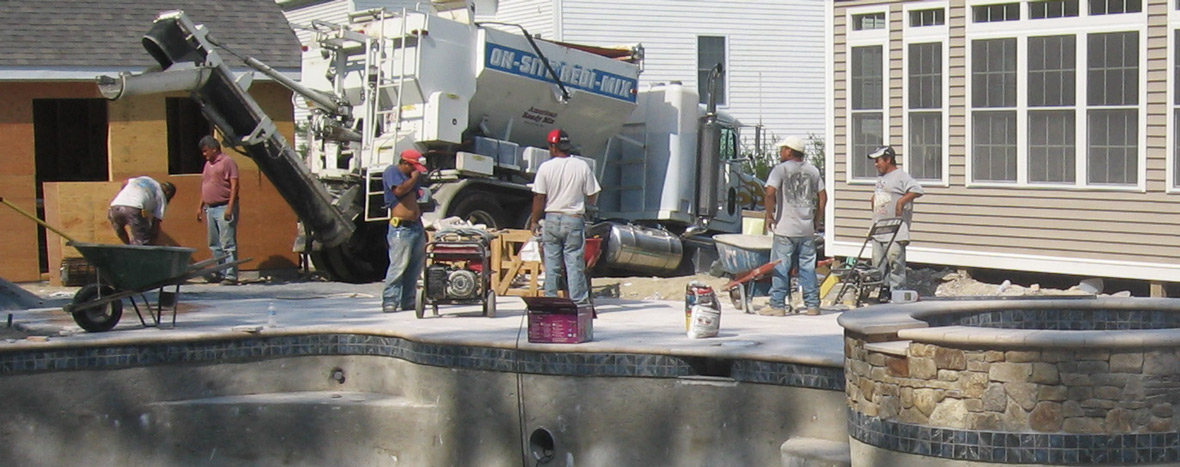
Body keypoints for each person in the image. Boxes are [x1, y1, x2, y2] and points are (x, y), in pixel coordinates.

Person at [529, 129, 601, 306]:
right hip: (573, 219)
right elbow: (593, 195)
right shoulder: (581, 166)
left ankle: (551, 301)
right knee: (574, 264)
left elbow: (539, 196)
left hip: (552, 219)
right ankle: (578, 304)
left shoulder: (545, 168)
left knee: (552, 264)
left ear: (553, 147)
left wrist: (533, 221)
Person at [761, 136, 826, 316]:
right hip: (806, 229)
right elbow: (823, 197)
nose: (781, 152)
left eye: (783, 149)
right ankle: (813, 305)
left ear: (789, 151)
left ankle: (778, 305)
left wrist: (769, 215)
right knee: (808, 267)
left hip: (785, 228)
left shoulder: (780, 170)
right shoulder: (812, 171)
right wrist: (817, 219)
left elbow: (769, 193)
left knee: (781, 266)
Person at [867, 145, 923, 293]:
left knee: (895, 262)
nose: (876, 164)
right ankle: (881, 291)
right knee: (877, 264)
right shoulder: (881, 177)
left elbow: (917, 190)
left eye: (878, 160)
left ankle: (897, 292)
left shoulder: (901, 176)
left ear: (888, 159)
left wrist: (902, 202)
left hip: (895, 230)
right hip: (879, 229)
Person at [381, 149, 428, 313]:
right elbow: (398, 191)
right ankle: (390, 300)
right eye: (413, 168)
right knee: (398, 265)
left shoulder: (411, 178)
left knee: (414, 266)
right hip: (401, 227)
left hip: (416, 226)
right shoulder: (392, 172)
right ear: (405, 163)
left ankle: (408, 300)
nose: (416, 172)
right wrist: (414, 179)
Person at [196, 135, 241, 285]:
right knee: (214, 243)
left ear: (214, 149)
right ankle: (220, 272)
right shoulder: (208, 165)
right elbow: (205, 185)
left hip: (224, 207)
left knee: (227, 242)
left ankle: (231, 275)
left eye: (205, 151)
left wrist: (230, 207)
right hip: (211, 208)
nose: (204, 154)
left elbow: (234, 185)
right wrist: (200, 206)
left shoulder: (227, 162)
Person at [108, 176, 176, 245]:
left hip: (114, 207)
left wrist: (124, 194)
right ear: (168, 193)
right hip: (133, 209)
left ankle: (128, 247)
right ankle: (138, 252)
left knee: (120, 230)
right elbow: (156, 222)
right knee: (141, 239)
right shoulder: (161, 196)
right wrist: (152, 240)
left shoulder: (146, 179)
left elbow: (125, 182)